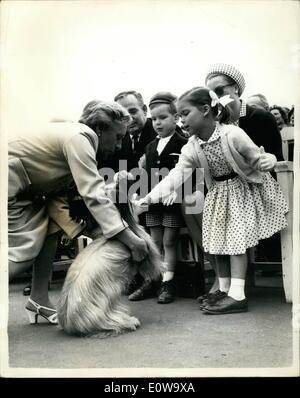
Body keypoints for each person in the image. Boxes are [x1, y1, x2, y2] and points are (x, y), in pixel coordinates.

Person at [137, 87, 288, 314]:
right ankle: (224, 288)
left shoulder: (232, 134)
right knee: (217, 241)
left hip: (243, 190)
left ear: (206, 110)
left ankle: (238, 294)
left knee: (236, 241)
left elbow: (258, 158)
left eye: (185, 114)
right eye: (178, 116)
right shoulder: (192, 145)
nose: (181, 120)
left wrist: (270, 159)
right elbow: (176, 176)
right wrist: (147, 199)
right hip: (219, 193)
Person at [8, 100, 149, 325]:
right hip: (9, 182)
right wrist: (131, 240)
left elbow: (62, 198)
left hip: (21, 185)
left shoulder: (74, 134)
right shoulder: (81, 138)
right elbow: (92, 192)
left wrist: (85, 230)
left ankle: (38, 301)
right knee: (23, 251)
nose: (120, 145)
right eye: (118, 136)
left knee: (48, 233)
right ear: (101, 129)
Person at [132, 92, 187, 304]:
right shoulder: (150, 146)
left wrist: (177, 192)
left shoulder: (182, 142)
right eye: (154, 119)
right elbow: (147, 175)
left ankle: (168, 281)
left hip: (171, 202)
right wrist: (142, 194)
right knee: (154, 242)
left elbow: (188, 173)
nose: (157, 123)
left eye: (163, 118)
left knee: (169, 241)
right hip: (154, 202)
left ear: (175, 118)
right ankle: (152, 279)